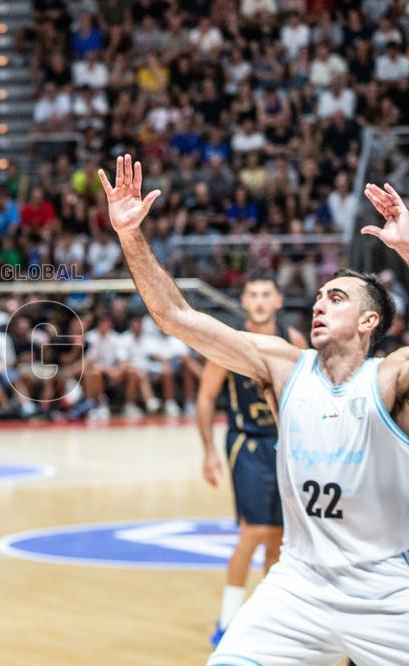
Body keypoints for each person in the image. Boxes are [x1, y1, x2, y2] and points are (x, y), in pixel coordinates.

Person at [98, 155, 409, 665]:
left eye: (336, 298)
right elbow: (176, 316)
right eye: (318, 298)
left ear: (370, 320)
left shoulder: (392, 377)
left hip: (384, 589)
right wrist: (130, 234)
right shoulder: (284, 367)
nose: (319, 305)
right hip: (298, 584)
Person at [195, 271, 307, 646]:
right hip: (247, 443)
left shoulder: (293, 340)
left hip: (285, 445)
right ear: (243, 302)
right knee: (254, 532)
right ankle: (227, 621)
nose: (259, 301)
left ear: (278, 301)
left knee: (279, 540)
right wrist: (209, 451)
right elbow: (207, 397)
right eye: (252, 294)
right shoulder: (231, 343)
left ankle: (268, 621)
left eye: (266, 294)